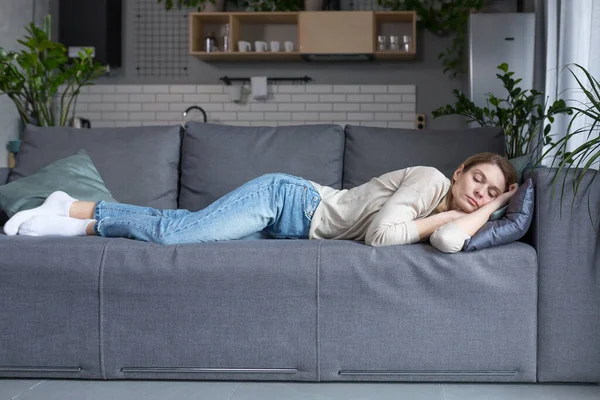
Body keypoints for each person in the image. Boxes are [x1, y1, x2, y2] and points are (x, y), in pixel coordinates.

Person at [4, 152, 518, 253]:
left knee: (186, 225)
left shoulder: (453, 211)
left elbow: (451, 242)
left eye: (491, 193)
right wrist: (457, 212)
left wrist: (480, 214)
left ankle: (78, 223)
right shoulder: (430, 182)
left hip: (295, 225)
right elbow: (381, 236)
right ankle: (74, 205)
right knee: (177, 235)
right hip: (286, 202)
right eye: (478, 180)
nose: (479, 192)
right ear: (458, 172)